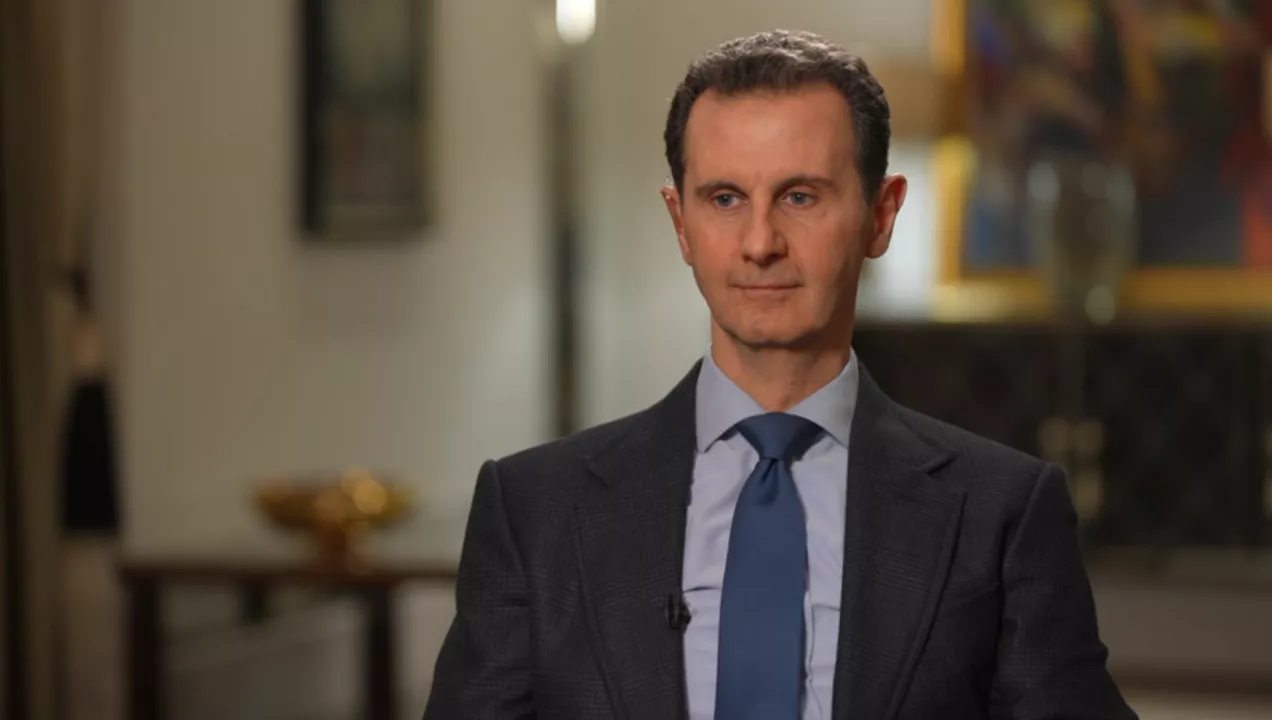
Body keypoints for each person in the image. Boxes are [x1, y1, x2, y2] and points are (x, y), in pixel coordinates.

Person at [425, 30, 1137, 720]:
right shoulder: (533, 512)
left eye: (800, 197)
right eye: (725, 199)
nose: (760, 243)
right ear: (680, 222)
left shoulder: (1002, 513)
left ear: (881, 215)